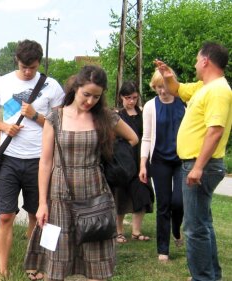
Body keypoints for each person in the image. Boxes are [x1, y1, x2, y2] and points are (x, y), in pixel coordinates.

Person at [24, 66, 138, 281]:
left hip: (94, 194)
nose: (90, 101)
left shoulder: (104, 116)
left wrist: (111, 155)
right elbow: (46, 162)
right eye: (86, 94)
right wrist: (42, 203)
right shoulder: (55, 117)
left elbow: (133, 138)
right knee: (55, 262)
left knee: (97, 262)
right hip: (60, 195)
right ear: (76, 88)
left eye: (96, 96)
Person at [0, 39, 65, 280]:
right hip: (9, 159)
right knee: (5, 216)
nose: (27, 71)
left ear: (39, 62)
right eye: (23, 66)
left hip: (40, 160)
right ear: (17, 61)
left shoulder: (51, 86)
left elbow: (61, 124)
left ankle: (33, 265)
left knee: (35, 214)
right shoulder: (3, 82)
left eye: (32, 67)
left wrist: (36, 116)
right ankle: (3, 271)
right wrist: (4, 126)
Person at [156, 42, 231, 281]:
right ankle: (211, 276)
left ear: (206, 60)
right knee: (203, 224)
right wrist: (167, 77)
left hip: (202, 165)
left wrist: (198, 167)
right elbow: (177, 89)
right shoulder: (203, 87)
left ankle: (203, 278)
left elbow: (215, 130)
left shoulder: (218, 90)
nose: (195, 64)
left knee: (194, 228)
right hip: (197, 164)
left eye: (198, 60)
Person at [139, 69, 186, 262]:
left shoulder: (184, 103)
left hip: (181, 159)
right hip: (159, 161)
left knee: (179, 202)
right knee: (164, 204)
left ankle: (176, 229)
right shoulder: (150, 106)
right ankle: (163, 249)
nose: (162, 91)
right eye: (158, 87)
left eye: (165, 86)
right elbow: (147, 137)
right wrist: (143, 164)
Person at [114, 81, 153, 244]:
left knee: (143, 194)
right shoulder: (117, 115)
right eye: (128, 97)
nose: (131, 101)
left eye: (135, 97)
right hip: (123, 160)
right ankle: (119, 231)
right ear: (121, 97)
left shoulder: (144, 113)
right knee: (120, 196)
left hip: (141, 159)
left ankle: (136, 231)